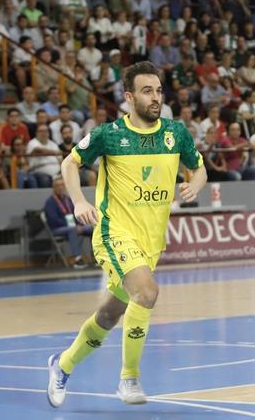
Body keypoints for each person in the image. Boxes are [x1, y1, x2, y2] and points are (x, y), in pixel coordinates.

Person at [46, 62, 206, 407]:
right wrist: (77, 201)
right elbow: (69, 163)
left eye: (159, 90)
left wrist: (195, 183)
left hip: (151, 241)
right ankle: (128, 378)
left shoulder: (175, 133)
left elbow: (199, 168)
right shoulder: (108, 135)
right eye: (147, 91)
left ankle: (62, 365)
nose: (155, 97)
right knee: (147, 292)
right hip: (113, 232)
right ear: (130, 97)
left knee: (109, 314)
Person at [43, 177, 94, 268]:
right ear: (53, 188)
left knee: (92, 228)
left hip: (73, 227)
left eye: (62, 185)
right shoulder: (50, 202)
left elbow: (76, 214)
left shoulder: (68, 200)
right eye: (57, 185)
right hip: (57, 229)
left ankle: (96, 257)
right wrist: (74, 226)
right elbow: (53, 220)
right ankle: (77, 259)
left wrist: (80, 224)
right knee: (72, 230)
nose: (60, 187)